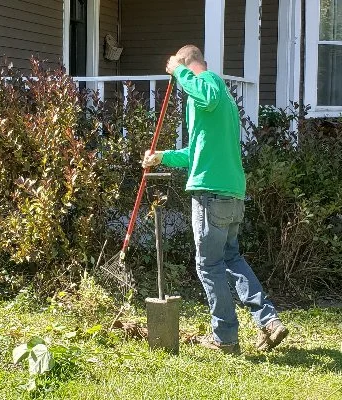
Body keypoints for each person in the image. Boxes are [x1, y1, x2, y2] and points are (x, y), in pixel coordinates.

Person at [142, 45, 288, 355]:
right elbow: (195, 154)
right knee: (232, 258)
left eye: (183, 72)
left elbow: (204, 92)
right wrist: (161, 157)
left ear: (190, 63)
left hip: (212, 194)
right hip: (231, 192)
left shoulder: (210, 84)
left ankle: (225, 337)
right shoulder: (215, 102)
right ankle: (269, 320)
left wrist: (178, 69)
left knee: (209, 265)